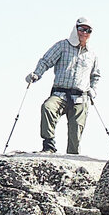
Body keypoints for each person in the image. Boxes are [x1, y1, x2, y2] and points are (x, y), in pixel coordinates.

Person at [25, 20, 100, 153]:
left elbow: (96, 75)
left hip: (80, 97)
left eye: (88, 31)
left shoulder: (92, 53)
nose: (84, 33)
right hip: (60, 93)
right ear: (76, 29)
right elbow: (46, 61)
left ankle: (73, 156)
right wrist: (36, 74)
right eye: (82, 29)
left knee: (76, 132)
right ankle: (49, 145)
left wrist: (93, 90)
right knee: (48, 108)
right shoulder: (62, 45)